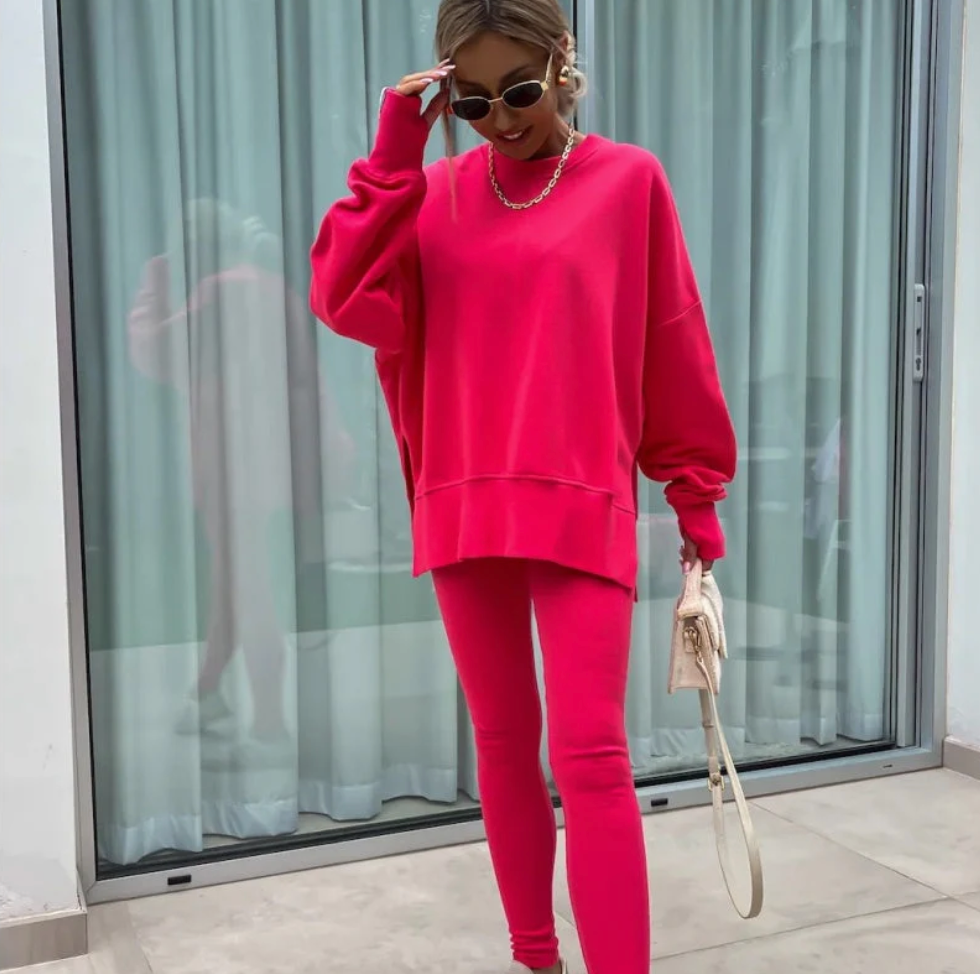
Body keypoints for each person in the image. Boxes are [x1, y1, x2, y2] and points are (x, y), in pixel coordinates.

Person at [309, 1, 736, 971]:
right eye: (470, 102)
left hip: (581, 499)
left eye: (518, 90)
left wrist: (694, 491)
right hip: (462, 501)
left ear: (561, 62)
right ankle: (535, 956)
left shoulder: (627, 181)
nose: (499, 120)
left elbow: (671, 337)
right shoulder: (431, 195)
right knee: (502, 746)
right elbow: (340, 295)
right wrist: (393, 158)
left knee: (592, 757)